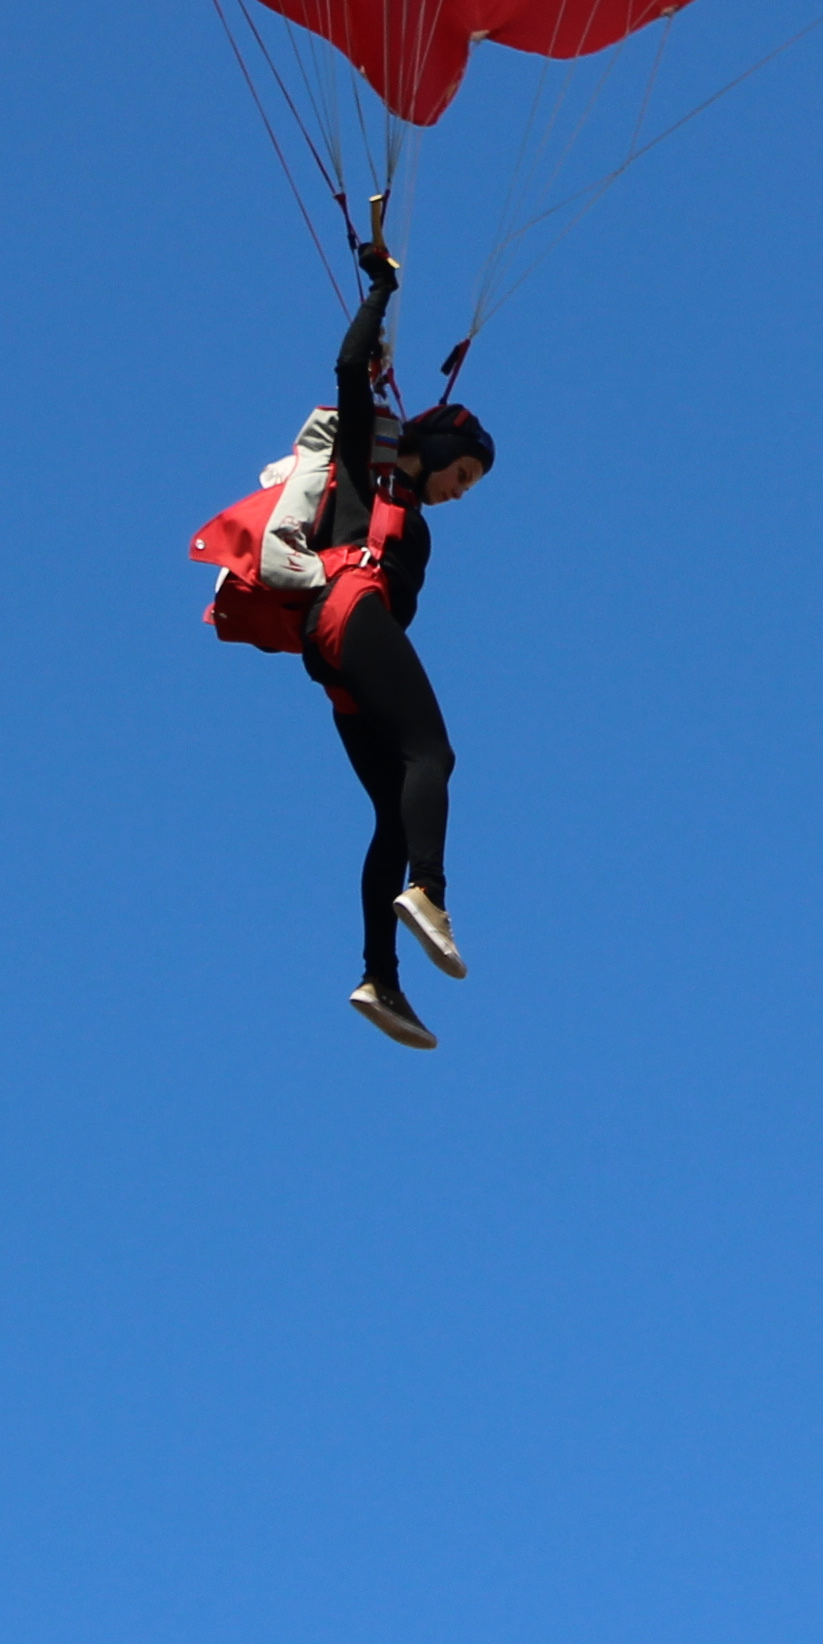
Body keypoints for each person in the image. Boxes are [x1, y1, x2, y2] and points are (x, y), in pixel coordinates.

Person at [306, 228, 493, 1049]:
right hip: (351, 609)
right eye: (461, 475)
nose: (459, 493)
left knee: (393, 807)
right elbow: (352, 372)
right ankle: (430, 891)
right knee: (434, 756)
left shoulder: (416, 528)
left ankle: (379, 978)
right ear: (442, 446)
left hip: (337, 651)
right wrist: (380, 289)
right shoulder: (365, 465)